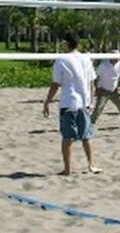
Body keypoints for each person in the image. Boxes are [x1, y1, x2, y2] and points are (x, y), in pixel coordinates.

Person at [43, 32, 101, 175]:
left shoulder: (62, 59)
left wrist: (47, 101)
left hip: (69, 102)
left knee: (67, 137)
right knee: (86, 136)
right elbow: (92, 83)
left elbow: (56, 84)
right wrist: (90, 101)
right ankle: (91, 165)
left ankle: (68, 169)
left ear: (66, 43)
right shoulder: (86, 59)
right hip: (84, 103)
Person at [91, 52, 120, 129]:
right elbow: (96, 77)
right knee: (98, 108)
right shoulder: (103, 65)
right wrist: (96, 88)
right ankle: (91, 123)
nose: (117, 58)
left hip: (114, 90)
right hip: (103, 90)